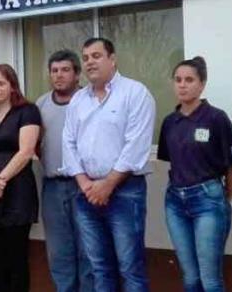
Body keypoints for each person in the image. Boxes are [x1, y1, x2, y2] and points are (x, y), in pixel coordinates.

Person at [62, 37, 155, 292]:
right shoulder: (78, 100)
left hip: (125, 190)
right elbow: (68, 143)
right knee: (99, 268)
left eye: (96, 55)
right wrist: (85, 184)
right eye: (86, 57)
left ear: (112, 59)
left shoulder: (135, 93)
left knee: (130, 268)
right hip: (86, 192)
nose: (90, 61)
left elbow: (136, 144)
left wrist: (108, 184)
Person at [157, 56, 232, 292]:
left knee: (210, 278)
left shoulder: (216, 118)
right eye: (178, 80)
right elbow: (171, 160)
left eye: (189, 80)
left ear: (202, 84)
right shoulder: (170, 122)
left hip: (208, 199)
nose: (182, 85)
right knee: (190, 277)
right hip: (175, 202)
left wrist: (223, 198)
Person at [0, 64, 42, 292]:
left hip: (17, 194)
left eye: (0, 83)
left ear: (12, 85)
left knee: (16, 260)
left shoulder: (28, 111)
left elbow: (26, 151)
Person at [36, 50, 93, 292]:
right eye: (54, 70)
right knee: (59, 253)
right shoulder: (41, 104)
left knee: (88, 251)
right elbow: (34, 144)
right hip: (52, 187)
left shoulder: (90, 101)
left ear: (77, 74)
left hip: (86, 186)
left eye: (65, 70)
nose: (59, 75)